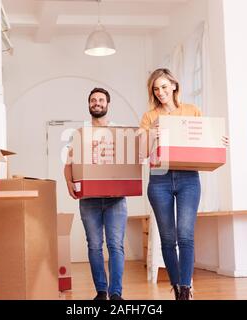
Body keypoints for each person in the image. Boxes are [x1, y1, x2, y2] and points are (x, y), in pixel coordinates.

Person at [139, 68, 228, 300]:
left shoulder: (192, 111)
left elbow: (204, 140)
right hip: (159, 179)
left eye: (164, 87)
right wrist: (152, 134)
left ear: (174, 86)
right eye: (156, 89)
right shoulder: (149, 117)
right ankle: (177, 287)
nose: (160, 92)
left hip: (188, 178)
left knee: (185, 236)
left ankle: (186, 288)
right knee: (167, 239)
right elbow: (140, 151)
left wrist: (219, 140)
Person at [64, 87, 127, 301]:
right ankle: (101, 291)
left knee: (115, 245)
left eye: (101, 99)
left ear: (107, 104)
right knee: (94, 245)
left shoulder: (120, 132)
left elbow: (131, 163)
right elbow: (69, 164)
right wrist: (69, 183)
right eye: (93, 100)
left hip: (115, 199)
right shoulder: (80, 134)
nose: (97, 103)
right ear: (89, 104)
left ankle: (116, 293)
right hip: (89, 199)